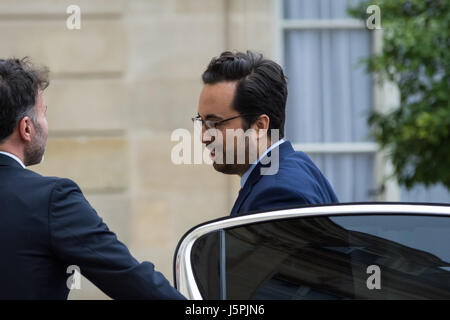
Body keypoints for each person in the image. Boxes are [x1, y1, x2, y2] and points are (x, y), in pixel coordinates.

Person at [0, 57, 185, 300]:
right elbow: (134, 282)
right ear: (26, 128)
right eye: (43, 114)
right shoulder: (51, 200)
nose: (46, 124)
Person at [194, 50, 339, 216]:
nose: (204, 137)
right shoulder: (297, 165)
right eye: (202, 121)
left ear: (260, 126)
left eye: (215, 123)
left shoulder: (277, 196)